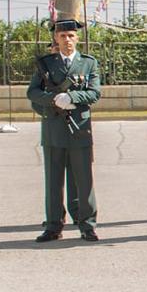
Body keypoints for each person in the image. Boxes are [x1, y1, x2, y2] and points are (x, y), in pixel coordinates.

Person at [27, 19, 102, 243]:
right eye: (62, 36)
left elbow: (95, 92)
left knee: (84, 181)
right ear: (56, 39)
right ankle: (53, 226)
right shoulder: (46, 64)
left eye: (71, 35)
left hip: (79, 128)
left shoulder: (88, 63)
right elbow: (32, 92)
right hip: (54, 129)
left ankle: (87, 225)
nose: (67, 40)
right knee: (53, 181)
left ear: (77, 38)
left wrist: (72, 97)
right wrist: (53, 100)